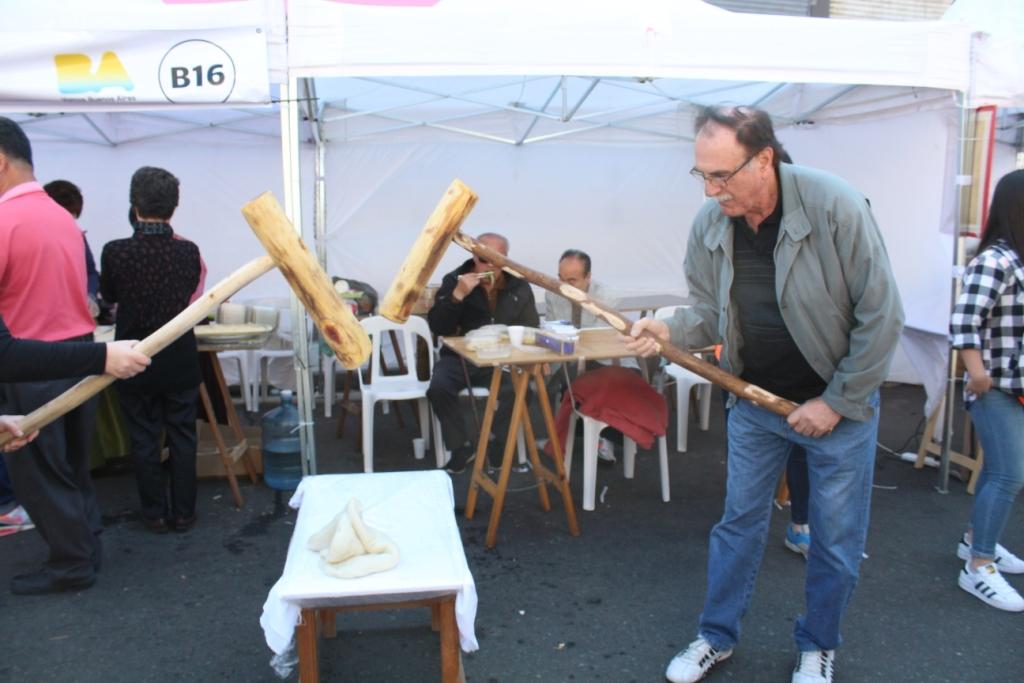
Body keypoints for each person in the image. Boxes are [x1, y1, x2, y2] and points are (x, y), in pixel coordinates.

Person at [626, 105, 904, 683]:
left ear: (765, 159)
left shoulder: (835, 206)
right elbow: (708, 311)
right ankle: (715, 636)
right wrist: (669, 328)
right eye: (701, 175)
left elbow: (881, 315)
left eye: (722, 175)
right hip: (754, 400)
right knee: (738, 524)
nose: (710, 189)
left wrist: (837, 401)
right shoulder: (711, 223)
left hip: (838, 407)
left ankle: (818, 644)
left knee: (833, 538)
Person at [0, 116, 110, 595]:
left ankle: (71, 565)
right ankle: (86, 546)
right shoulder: (61, 217)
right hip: (78, 355)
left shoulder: (5, 220)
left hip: (30, 361)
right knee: (72, 465)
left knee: (42, 475)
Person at [101, 167, 203, 534]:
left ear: (134, 203)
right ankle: (185, 512)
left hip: (133, 356)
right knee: (182, 435)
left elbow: (109, 296)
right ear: (174, 207)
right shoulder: (188, 252)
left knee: (143, 438)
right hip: (179, 357)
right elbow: (190, 291)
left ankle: (154, 513)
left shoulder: (115, 251)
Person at [949, 169, 1024, 612]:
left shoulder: (1012, 258)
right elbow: (963, 321)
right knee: (1008, 475)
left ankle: (979, 543)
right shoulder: (995, 261)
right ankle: (978, 565)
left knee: (1004, 472)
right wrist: (978, 376)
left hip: (1010, 387)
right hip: (996, 388)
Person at [427, 232, 540, 474]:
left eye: (495, 260)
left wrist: (512, 342)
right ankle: (461, 447)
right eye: (482, 259)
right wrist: (457, 296)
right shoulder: (455, 280)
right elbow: (438, 328)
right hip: (461, 357)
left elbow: (531, 326)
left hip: (501, 358)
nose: (488, 266)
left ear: (505, 260)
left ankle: (498, 444)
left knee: (519, 390)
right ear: (473, 256)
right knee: (438, 387)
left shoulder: (518, 284)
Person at [543, 249, 619, 462]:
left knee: (593, 378)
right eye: (560, 278)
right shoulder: (553, 293)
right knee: (552, 376)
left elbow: (598, 340)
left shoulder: (606, 296)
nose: (564, 285)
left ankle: (598, 436)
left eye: (572, 280)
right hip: (568, 357)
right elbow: (552, 328)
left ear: (588, 277)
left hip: (600, 358)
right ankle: (574, 434)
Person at [42, 180, 100, 318]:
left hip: (75, 318)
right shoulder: (34, 239)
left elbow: (91, 272)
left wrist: (90, 295)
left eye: (74, 218)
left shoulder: (78, 236)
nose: (71, 224)